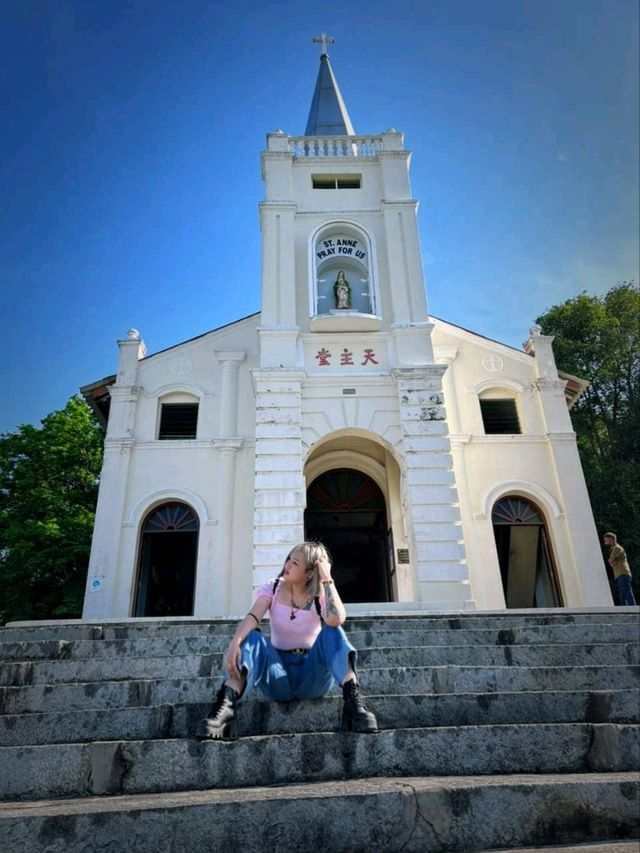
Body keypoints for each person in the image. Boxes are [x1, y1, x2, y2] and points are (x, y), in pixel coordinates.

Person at [195, 542, 378, 740]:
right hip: (277, 673)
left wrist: (327, 578)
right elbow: (252, 617)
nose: (288, 565)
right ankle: (225, 708)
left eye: (296, 563)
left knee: (332, 631)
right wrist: (235, 643)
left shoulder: (319, 595)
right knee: (253, 636)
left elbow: (337, 618)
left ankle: (354, 704)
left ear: (309, 573)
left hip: (312, 675)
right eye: (289, 559)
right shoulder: (273, 587)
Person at [603, 532, 636, 606]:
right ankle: (625, 608)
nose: (605, 541)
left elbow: (610, 561)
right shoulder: (613, 549)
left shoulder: (617, 548)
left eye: (606, 539)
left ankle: (633, 607)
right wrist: (613, 562)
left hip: (622, 572)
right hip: (619, 573)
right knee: (622, 593)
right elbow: (611, 562)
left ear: (611, 539)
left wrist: (612, 562)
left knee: (626, 591)